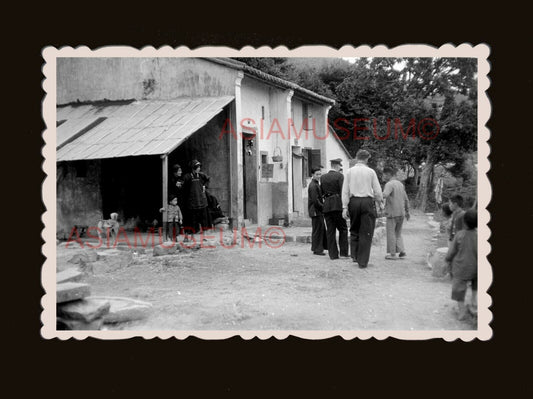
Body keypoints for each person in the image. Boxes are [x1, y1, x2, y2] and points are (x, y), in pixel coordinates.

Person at [342, 149, 383, 268]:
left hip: (353, 201)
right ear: (366, 159)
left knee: (354, 228)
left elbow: (345, 191)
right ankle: (362, 261)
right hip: (367, 201)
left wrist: (344, 207)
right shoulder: (371, 172)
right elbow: (377, 190)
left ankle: (354, 255)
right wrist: (380, 203)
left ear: (356, 157)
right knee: (366, 231)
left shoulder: (349, 172)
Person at [445, 208, 477, 320]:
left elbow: (452, 252)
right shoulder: (479, 235)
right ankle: (474, 302)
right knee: (476, 285)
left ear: (464, 222)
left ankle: (462, 310)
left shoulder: (460, 235)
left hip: (461, 268)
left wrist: (447, 260)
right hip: (477, 268)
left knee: (459, 289)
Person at [320, 158, 349, 260]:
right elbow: (343, 191)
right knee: (343, 229)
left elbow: (322, 191)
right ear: (337, 166)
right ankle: (344, 253)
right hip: (337, 204)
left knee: (330, 230)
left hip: (327, 205)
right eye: (339, 166)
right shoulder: (340, 176)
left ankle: (333, 254)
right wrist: (345, 206)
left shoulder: (322, 177)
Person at [382, 167, 410, 260]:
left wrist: (375, 195)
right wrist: (407, 211)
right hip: (401, 213)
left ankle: (392, 254)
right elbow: (406, 198)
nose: (383, 176)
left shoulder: (389, 184)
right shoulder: (400, 184)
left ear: (388, 174)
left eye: (384, 174)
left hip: (392, 213)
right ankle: (402, 251)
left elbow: (384, 195)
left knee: (391, 233)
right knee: (398, 233)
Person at [182, 159, 211, 234]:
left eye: (199, 167)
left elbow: (208, 179)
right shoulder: (187, 176)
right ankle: (192, 236)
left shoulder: (201, 175)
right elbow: (182, 186)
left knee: (204, 219)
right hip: (192, 202)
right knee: (192, 220)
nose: (199, 168)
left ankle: (204, 236)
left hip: (202, 201)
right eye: (197, 167)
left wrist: (205, 186)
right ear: (193, 168)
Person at [308, 166, 327, 256]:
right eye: (317, 174)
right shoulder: (313, 186)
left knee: (319, 229)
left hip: (317, 210)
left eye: (320, 174)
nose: (319, 176)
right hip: (316, 211)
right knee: (318, 229)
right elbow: (315, 200)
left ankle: (318, 248)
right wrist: (323, 207)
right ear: (312, 175)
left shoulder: (315, 184)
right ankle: (318, 249)